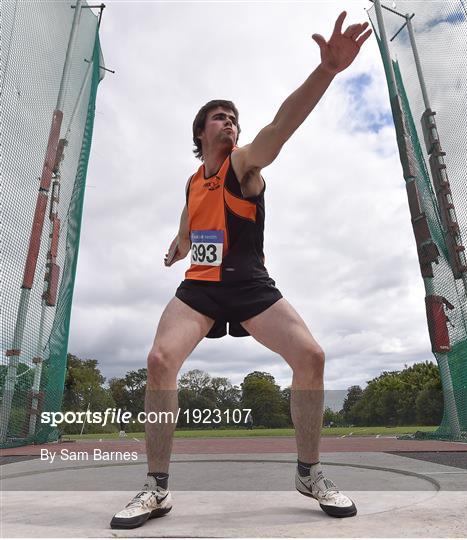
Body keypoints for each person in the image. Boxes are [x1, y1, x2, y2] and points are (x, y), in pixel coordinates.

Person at [110, 11, 371, 529]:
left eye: (234, 118)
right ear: (200, 132)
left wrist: (327, 72)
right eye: (220, 117)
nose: (230, 123)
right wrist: (177, 246)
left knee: (312, 356)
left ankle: (309, 472)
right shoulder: (191, 181)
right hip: (200, 290)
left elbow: (280, 126)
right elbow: (190, 224)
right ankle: (156, 488)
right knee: (160, 360)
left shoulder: (243, 165)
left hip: (250, 286)